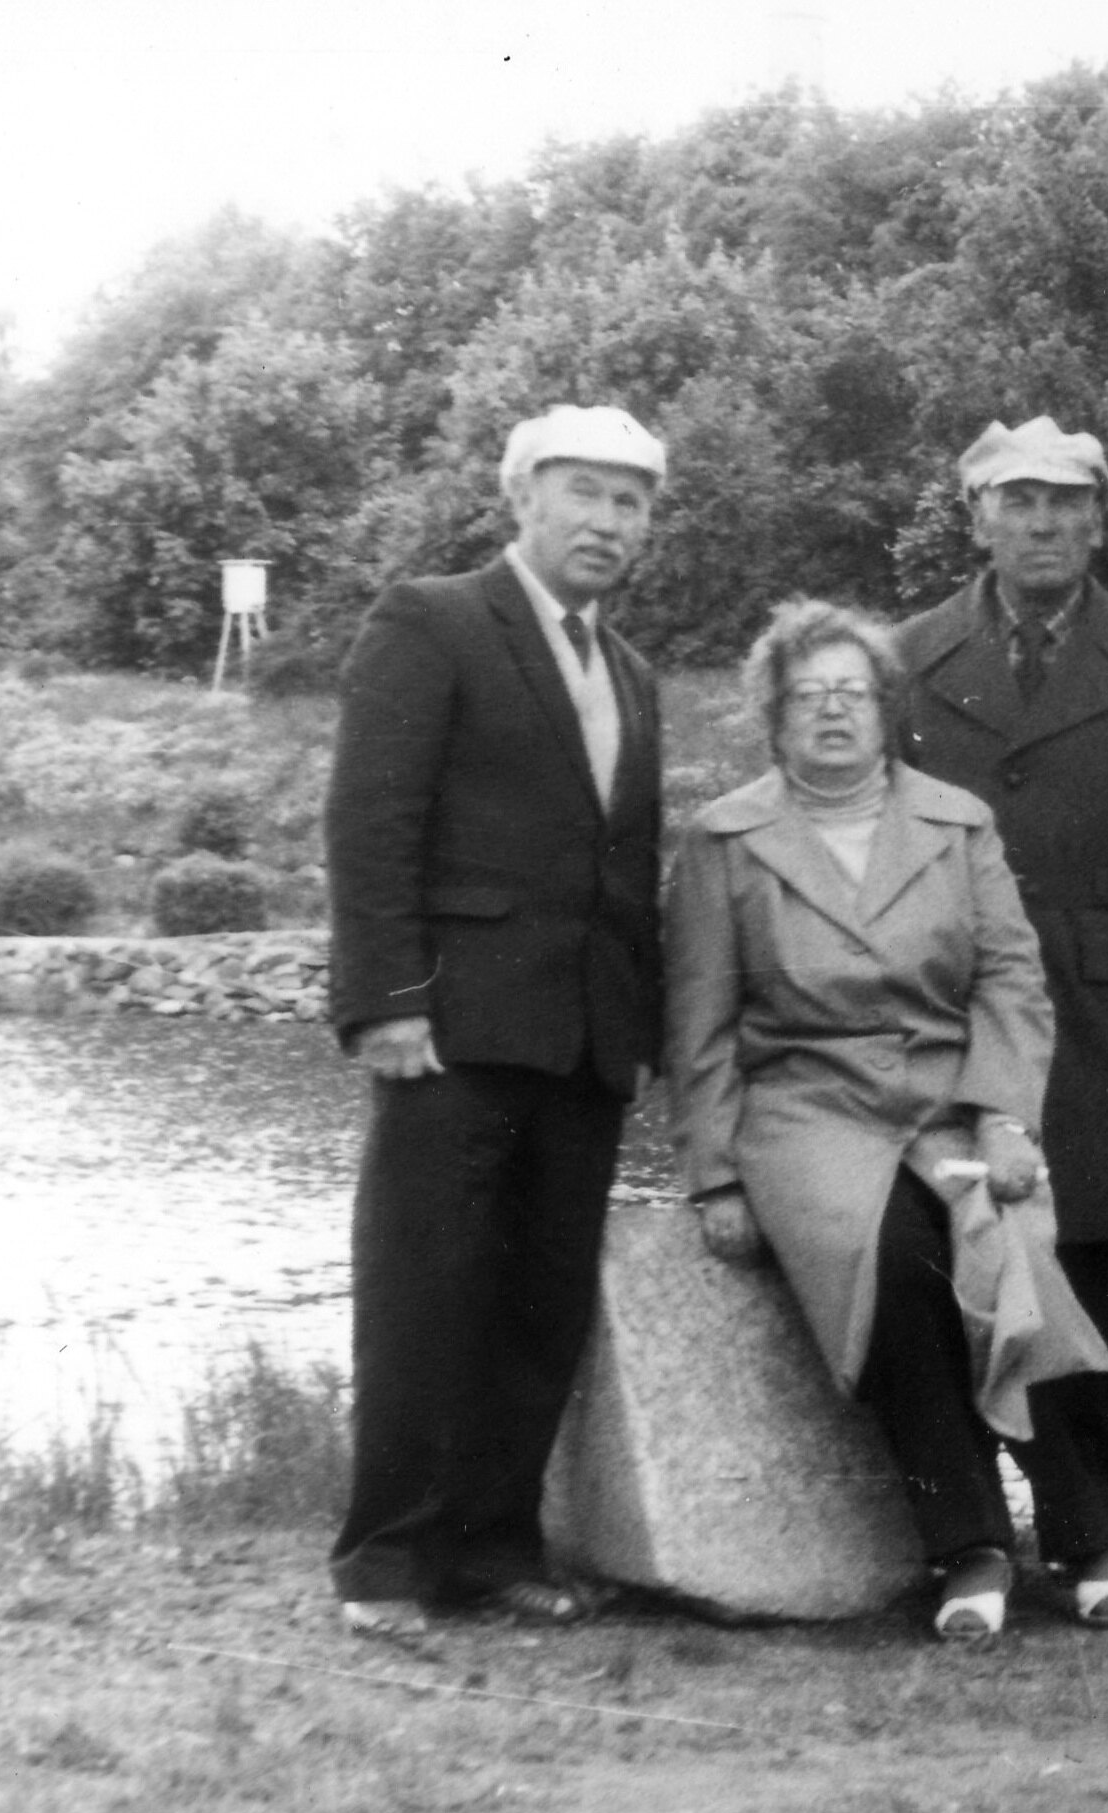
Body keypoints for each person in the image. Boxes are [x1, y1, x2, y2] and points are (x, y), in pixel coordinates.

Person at [323, 404, 669, 1637]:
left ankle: (490, 1549)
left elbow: (627, 865)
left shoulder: (631, 672)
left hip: (583, 1041)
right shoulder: (433, 619)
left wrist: (642, 1033)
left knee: (538, 1302)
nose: (607, 521)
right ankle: (385, 1561)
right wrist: (386, 1003)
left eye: (630, 502)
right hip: (453, 1030)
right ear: (523, 497)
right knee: (424, 1290)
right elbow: (372, 821)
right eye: (584, 492)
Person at [668, 599, 1067, 1641]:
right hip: (804, 1107)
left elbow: (1010, 980)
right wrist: (715, 1176)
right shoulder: (723, 839)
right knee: (894, 1261)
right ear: (775, 716)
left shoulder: (959, 822)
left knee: (1015, 1242)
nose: (833, 711)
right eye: (808, 695)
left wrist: (1004, 1118)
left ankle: (1089, 1534)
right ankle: (971, 1548)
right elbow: (699, 1023)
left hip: (944, 1095)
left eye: (852, 691)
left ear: (888, 708)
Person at [892, 416, 1108, 1629]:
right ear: (975, 516)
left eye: (1066, 502)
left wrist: (1084, 947)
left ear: (1098, 519)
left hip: (1090, 999)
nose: (1041, 523)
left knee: (1090, 1265)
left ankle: (1092, 1539)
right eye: (1017, 501)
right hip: (941, 999)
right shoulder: (905, 660)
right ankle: (966, 1537)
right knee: (944, 1254)